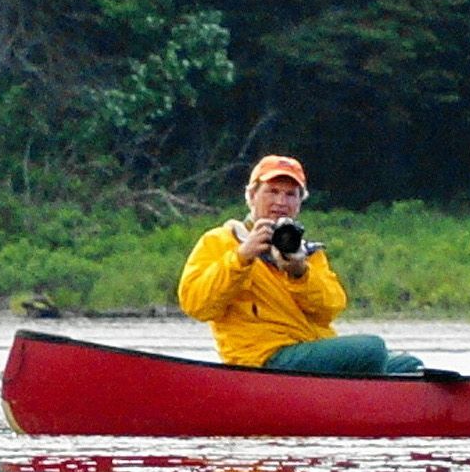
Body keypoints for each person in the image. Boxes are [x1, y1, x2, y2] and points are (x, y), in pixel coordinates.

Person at [177, 155, 423, 375]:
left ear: (299, 203)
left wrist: (299, 273)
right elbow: (196, 305)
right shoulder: (220, 241)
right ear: (251, 196)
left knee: (409, 364)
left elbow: (332, 307)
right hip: (263, 359)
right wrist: (242, 257)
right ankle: (362, 406)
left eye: (290, 194)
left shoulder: (302, 249)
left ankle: (370, 405)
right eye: (272, 191)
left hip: (305, 350)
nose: (280, 201)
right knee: (373, 349)